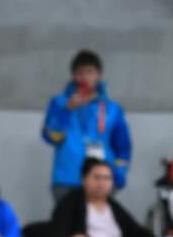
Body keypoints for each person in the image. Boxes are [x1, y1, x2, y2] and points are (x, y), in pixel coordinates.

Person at [42, 49, 133, 203]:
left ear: (99, 75)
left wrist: (119, 174)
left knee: (99, 226)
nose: (85, 77)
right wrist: (67, 110)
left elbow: (122, 147)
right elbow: (52, 138)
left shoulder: (112, 109)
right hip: (67, 180)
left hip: (100, 180)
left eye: (90, 72)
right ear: (74, 76)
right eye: (80, 73)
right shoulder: (59, 103)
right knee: (69, 227)